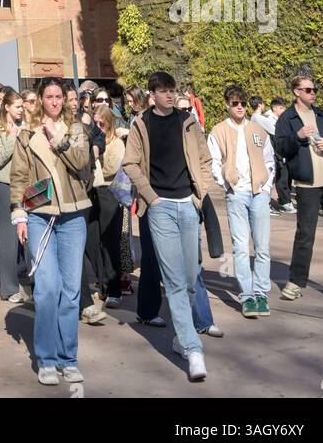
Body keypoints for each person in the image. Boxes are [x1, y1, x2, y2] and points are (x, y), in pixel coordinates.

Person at [123, 70, 213, 383]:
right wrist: (151, 197)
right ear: (152, 95)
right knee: (174, 280)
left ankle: (179, 337)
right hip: (159, 209)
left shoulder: (187, 121)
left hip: (188, 204)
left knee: (190, 278)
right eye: (163, 91)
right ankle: (193, 348)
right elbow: (130, 163)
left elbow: (205, 159)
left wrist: (199, 195)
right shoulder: (141, 124)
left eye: (171, 90)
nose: (169, 95)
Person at [9, 77, 91, 388]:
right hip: (39, 215)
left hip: (73, 215)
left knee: (70, 293)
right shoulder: (27, 133)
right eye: (50, 96)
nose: (55, 102)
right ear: (41, 99)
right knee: (46, 290)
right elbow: (18, 175)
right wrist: (19, 215)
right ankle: (46, 359)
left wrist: (60, 141)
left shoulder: (77, 129)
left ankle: (68, 358)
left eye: (59, 96)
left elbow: (82, 162)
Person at [275, 74, 323, 301]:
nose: (313, 93)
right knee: (305, 235)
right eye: (308, 89)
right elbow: (281, 148)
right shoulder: (288, 118)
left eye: (314, 89)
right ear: (296, 91)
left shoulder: (322, 115)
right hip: (306, 184)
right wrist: (297, 136)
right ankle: (295, 282)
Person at [208, 86, 274, 317]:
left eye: (243, 103)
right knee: (240, 247)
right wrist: (227, 184)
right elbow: (214, 162)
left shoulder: (257, 129)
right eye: (235, 103)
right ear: (227, 104)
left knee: (263, 246)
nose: (239, 107)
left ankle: (261, 293)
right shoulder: (218, 131)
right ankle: (247, 295)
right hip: (237, 193)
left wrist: (266, 187)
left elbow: (269, 159)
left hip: (259, 192)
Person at [0, 88, 26, 303]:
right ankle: (10, 287)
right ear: (7, 107)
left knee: (31, 236)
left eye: (22, 106)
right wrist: (13, 138)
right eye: (18, 106)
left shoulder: (25, 127)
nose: (21, 110)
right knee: (8, 237)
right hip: (5, 185)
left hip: (27, 186)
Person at [89, 103, 126, 308]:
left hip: (110, 193)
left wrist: (96, 157)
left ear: (109, 124)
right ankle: (102, 286)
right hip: (94, 193)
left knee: (110, 244)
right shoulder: (93, 141)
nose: (98, 127)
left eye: (101, 124)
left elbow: (112, 168)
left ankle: (114, 290)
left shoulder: (115, 143)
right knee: (93, 241)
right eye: (95, 123)